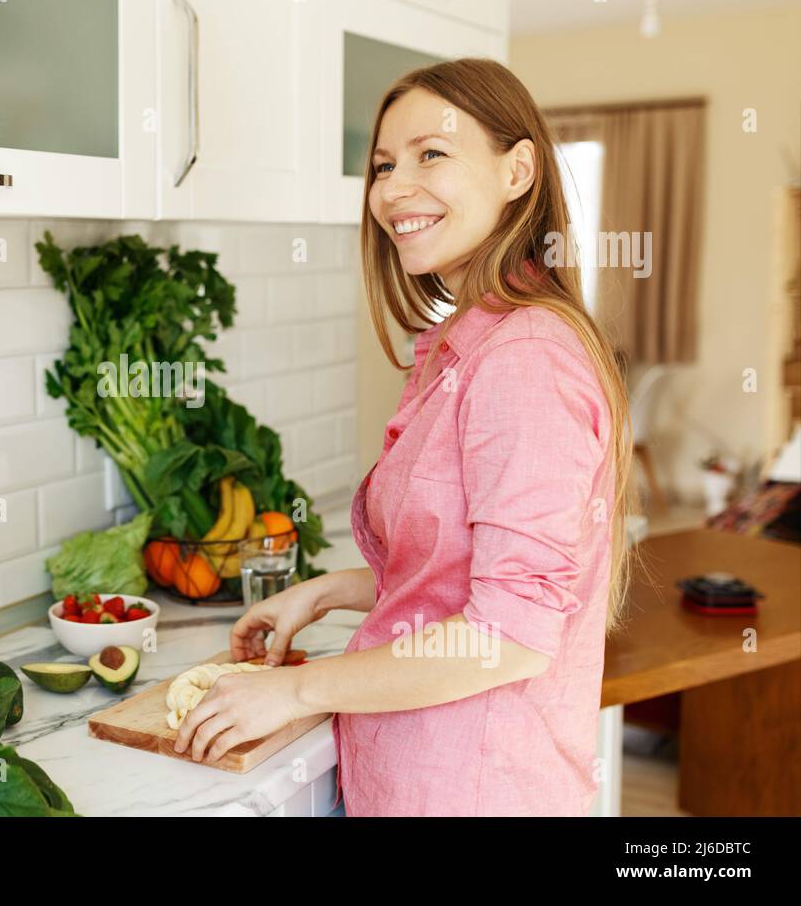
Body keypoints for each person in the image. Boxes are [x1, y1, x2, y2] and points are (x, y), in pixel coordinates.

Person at [173, 57, 635, 816]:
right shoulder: (472, 342)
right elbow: (460, 568)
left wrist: (297, 688)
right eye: (384, 164)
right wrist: (325, 595)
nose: (392, 189)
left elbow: (508, 636)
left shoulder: (523, 359)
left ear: (518, 170)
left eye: (432, 154)